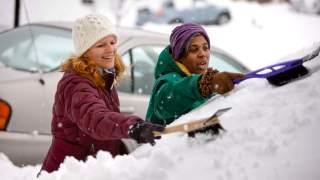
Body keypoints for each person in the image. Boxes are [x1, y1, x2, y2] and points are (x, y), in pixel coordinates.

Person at [39, 14, 164, 174]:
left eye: (112, 42)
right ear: (85, 52)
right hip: (68, 173)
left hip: (89, 170)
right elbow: (95, 118)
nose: (110, 49)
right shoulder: (76, 84)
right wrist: (132, 127)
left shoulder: (103, 77)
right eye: (101, 45)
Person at [146, 23, 244, 132]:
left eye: (205, 48)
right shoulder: (168, 81)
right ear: (179, 56)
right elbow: (167, 103)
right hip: (167, 148)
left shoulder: (201, 78)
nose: (203, 54)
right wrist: (206, 84)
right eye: (194, 49)